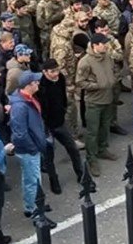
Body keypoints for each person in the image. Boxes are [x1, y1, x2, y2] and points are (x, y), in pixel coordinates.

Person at [36, 59, 83, 193]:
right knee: (49, 156)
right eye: (52, 71)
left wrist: (63, 109)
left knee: (73, 148)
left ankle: (81, 174)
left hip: (60, 121)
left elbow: (62, 95)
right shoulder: (41, 86)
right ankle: (54, 180)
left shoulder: (60, 78)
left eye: (57, 70)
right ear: (44, 72)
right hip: (47, 126)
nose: (56, 73)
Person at [9, 71, 50, 220]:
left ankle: (31, 205)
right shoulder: (21, 106)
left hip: (31, 147)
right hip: (29, 149)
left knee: (31, 178)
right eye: (35, 82)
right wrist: (33, 148)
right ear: (28, 85)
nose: (38, 84)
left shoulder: (25, 100)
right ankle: (35, 210)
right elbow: (20, 133)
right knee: (33, 180)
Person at [75, 33, 118, 176]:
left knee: (105, 127)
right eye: (103, 43)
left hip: (108, 98)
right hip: (94, 101)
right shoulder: (85, 62)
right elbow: (80, 82)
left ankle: (102, 149)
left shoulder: (107, 57)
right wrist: (97, 85)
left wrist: (112, 80)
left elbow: (113, 71)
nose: (106, 45)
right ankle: (91, 158)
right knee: (92, 132)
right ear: (95, 45)